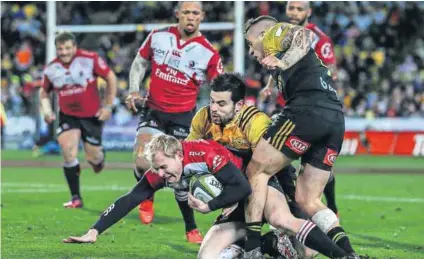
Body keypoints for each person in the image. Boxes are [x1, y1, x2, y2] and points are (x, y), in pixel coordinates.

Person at [188, 73, 351, 259]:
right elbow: (188, 154)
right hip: (240, 192)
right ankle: (254, 245)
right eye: (212, 101)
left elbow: (264, 172)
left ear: (239, 105)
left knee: (306, 251)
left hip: (274, 183)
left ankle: (267, 242)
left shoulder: (256, 123)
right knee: (206, 257)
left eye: (221, 104)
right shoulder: (203, 119)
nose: (213, 109)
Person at [243, 16, 363, 259]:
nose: (249, 50)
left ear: (261, 34)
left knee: (256, 171)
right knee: (308, 198)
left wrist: (282, 60)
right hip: (334, 118)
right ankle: (349, 254)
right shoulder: (278, 55)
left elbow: (304, 36)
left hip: (306, 112)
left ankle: (252, 247)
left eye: (249, 42)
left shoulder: (275, 33)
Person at [125, 1, 223, 243]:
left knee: (179, 176)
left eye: (195, 13)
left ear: (202, 17)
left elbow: (220, 86)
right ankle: (147, 196)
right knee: (141, 162)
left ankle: (190, 227)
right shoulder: (158, 37)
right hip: (154, 111)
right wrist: (133, 90)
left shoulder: (209, 53)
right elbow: (139, 63)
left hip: (183, 117)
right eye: (186, 12)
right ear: (178, 14)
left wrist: (219, 115)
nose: (190, 17)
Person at [62, 135, 251, 247]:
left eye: (163, 166)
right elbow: (130, 199)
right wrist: (95, 230)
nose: (160, 173)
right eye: (156, 168)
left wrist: (209, 206)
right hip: (231, 196)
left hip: (253, 179)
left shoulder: (204, 153)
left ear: (178, 155)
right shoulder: (161, 172)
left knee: (278, 219)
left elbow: (242, 187)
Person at [261, 1, 340, 217]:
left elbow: (332, 71)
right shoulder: (281, 34)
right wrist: (269, 86)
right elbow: (277, 62)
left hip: (312, 107)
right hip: (287, 106)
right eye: (291, 8)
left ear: (309, 12)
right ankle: (289, 207)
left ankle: (329, 205)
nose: (294, 13)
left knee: (318, 166)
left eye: (299, 9)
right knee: (274, 158)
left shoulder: (319, 39)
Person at [39, 31, 117, 208]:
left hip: (92, 116)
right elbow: (44, 91)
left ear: (74, 47)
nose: (64, 52)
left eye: (67, 48)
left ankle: (99, 159)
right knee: (67, 150)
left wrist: (108, 106)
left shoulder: (90, 59)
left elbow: (110, 77)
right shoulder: (51, 68)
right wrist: (47, 110)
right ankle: (76, 197)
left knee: (94, 159)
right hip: (68, 115)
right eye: (60, 49)